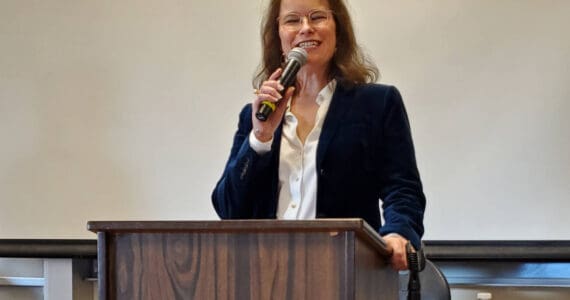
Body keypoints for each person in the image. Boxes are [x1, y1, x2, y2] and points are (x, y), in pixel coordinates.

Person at [212, 0, 425, 271]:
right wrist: (260, 137)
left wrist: (397, 234)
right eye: (292, 20)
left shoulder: (377, 104)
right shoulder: (255, 116)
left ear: (338, 30)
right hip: (263, 273)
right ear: (278, 36)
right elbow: (228, 210)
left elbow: (403, 189)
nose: (305, 28)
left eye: (317, 17)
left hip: (345, 270)